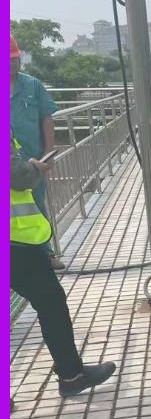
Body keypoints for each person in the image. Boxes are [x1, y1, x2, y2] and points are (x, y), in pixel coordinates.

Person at [10, 137, 116, 397]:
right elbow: (16, 176)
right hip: (14, 241)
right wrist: (34, 167)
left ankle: (70, 373)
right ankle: (71, 375)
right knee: (51, 302)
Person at [10, 34, 64, 270]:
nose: (13, 64)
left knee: (36, 207)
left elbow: (46, 118)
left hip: (33, 163)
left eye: (15, 59)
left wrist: (48, 152)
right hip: (9, 164)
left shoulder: (32, 86)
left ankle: (46, 254)